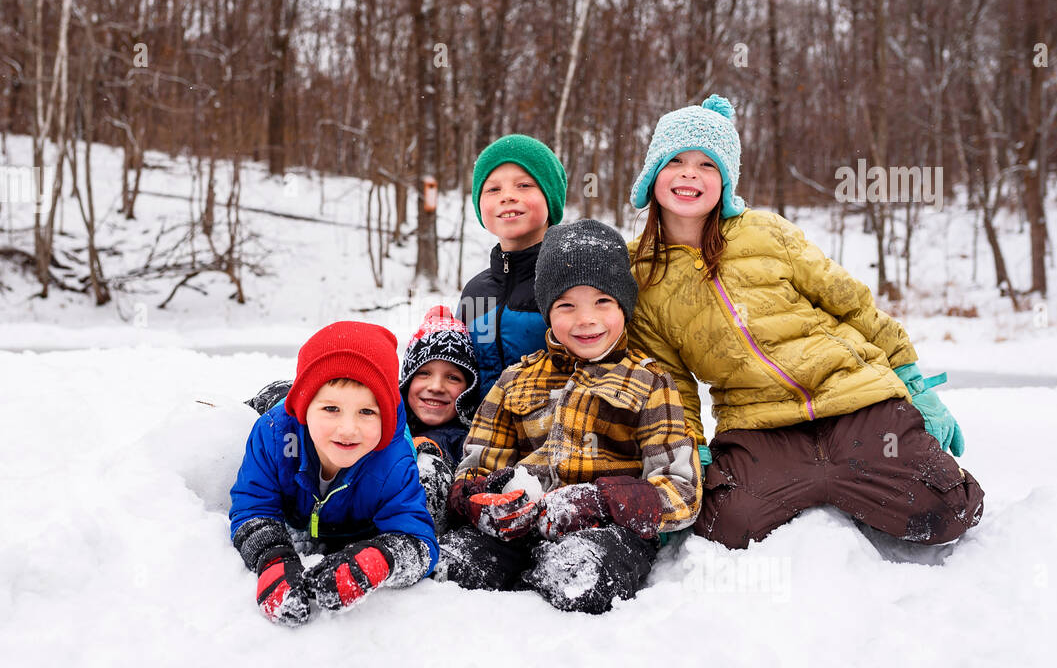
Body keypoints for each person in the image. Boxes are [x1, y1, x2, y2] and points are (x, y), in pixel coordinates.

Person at [626, 94, 984, 550]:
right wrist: (689, 447)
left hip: (855, 401)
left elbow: (852, 305)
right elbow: (669, 378)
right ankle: (826, 482)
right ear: (653, 173)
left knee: (949, 509)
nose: (690, 174)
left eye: (707, 165)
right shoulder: (643, 272)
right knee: (723, 527)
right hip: (760, 426)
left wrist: (911, 378)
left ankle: (851, 474)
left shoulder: (766, 233)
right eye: (675, 160)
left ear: (726, 180)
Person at [440, 219, 702, 614]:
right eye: (566, 305)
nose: (586, 319)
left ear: (623, 307)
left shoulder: (650, 382)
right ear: (547, 311)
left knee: (581, 579)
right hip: (520, 526)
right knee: (450, 570)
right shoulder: (516, 379)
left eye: (602, 302)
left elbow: (681, 491)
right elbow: (476, 467)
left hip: (608, 531)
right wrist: (482, 500)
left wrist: (600, 501)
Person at [229, 321, 437, 626]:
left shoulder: (391, 462)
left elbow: (418, 537)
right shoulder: (273, 436)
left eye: (367, 412)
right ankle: (277, 394)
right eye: (331, 409)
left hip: (358, 509)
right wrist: (272, 559)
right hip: (285, 411)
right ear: (304, 408)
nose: (348, 429)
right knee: (271, 399)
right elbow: (252, 505)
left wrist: (379, 559)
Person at [457, 134, 567, 400]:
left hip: (556, 436)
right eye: (493, 189)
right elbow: (460, 374)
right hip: (481, 436)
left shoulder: (570, 278)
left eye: (524, 185)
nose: (507, 196)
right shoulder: (475, 291)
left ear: (550, 197)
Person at [398, 305, 481, 532]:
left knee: (426, 465)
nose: (435, 387)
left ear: (468, 390)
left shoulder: (466, 440)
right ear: (407, 381)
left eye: (452, 377)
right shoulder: (389, 425)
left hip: (432, 530)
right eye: (423, 373)